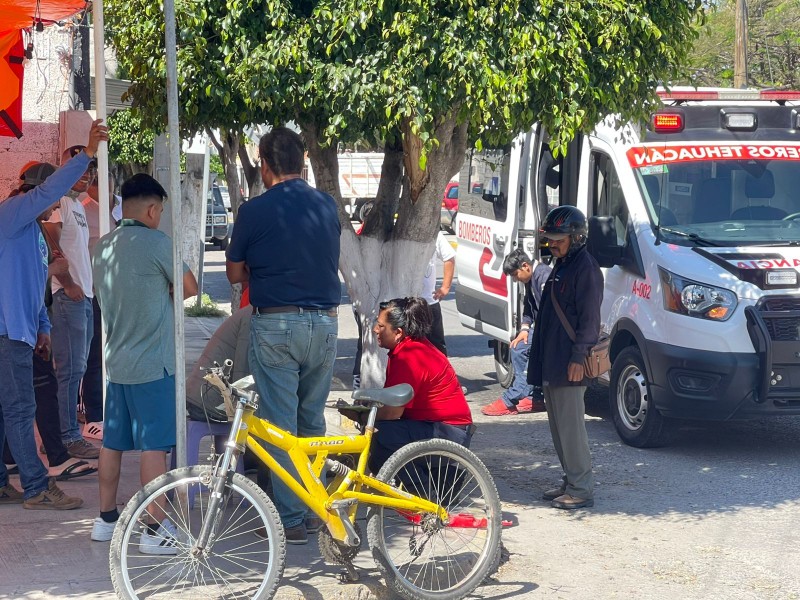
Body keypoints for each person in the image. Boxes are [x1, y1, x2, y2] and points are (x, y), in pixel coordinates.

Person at [226, 126, 341, 545]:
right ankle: (313, 510)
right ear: (304, 160)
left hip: (276, 323)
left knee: (278, 424)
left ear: (265, 164)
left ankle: (290, 520)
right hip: (326, 324)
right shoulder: (327, 205)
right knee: (311, 419)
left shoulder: (254, 211)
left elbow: (235, 274)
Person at [0, 120, 107, 509]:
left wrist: (43, 328)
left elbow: (36, 286)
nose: (52, 206)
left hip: (20, 330)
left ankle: (1, 482)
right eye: (46, 198)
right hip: (7, 332)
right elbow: (51, 189)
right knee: (20, 408)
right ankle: (36, 487)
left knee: (6, 408)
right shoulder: (13, 212)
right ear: (32, 193)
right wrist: (88, 154)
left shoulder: (31, 231)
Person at [89, 174, 198, 550]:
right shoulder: (157, 244)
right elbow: (190, 288)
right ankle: (154, 530)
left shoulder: (102, 248)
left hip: (116, 364)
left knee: (113, 443)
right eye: (161, 211)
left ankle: (105, 519)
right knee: (154, 447)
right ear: (153, 210)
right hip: (154, 365)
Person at [528, 206, 603, 510]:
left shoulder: (585, 268)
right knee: (560, 428)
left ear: (577, 237)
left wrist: (578, 356)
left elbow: (590, 320)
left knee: (571, 429)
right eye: (550, 238)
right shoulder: (563, 264)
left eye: (559, 239)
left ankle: (581, 488)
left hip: (570, 360)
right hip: (554, 358)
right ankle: (571, 480)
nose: (552, 244)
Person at [346, 297, 473, 475]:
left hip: (449, 433)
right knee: (380, 437)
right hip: (437, 427)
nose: (375, 329)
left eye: (381, 326)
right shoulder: (407, 349)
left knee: (381, 435)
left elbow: (392, 413)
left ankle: (417, 495)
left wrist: (362, 417)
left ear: (398, 332)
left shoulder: (410, 355)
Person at [42, 145, 100, 460]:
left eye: (89, 168)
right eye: (78, 167)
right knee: (68, 370)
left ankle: (66, 435)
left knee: (76, 369)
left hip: (83, 297)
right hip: (68, 298)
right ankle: (66, 437)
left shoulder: (76, 205)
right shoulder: (60, 202)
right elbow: (49, 238)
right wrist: (68, 284)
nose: (86, 174)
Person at [481, 248, 551, 416]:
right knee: (517, 346)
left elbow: (550, 313)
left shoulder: (544, 277)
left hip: (551, 331)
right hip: (541, 329)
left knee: (531, 352)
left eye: (514, 275)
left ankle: (512, 398)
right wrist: (525, 329)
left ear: (525, 266)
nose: (514, 279)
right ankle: (534, 397)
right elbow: (529, 306)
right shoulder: (530, 279)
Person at [78, 175, 121, 441]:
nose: (99, 184)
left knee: (116, 354)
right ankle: (94, 416)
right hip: (94, 293)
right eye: (94, 179)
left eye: (103, 178)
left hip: (119, 294)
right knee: (94, 358)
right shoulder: (83, 209)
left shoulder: (122, 207)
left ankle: (115, 411)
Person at [422, 230, 456, 355]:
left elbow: (449, 258)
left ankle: (441, 374)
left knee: (436, 348)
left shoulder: (435, 233)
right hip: (405, 302)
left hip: (429, 302)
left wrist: (445, 287)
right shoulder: (400, 230)